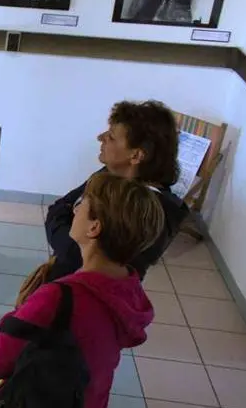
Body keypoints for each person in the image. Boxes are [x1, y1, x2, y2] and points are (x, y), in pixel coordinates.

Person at [0, 172, 164, 408]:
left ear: (94, 228)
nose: (75, 210)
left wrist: (19, 313)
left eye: (82, 206)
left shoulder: (57, 297)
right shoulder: (129, 290)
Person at [44, 100, 188, 282]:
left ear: (136, 155)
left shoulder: (153, 211)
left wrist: (64, 224)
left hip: (87, 296)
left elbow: (75, 252)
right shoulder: (111, 172)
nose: (100, 138)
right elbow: (59, 208)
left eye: (111, 137)